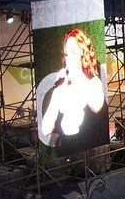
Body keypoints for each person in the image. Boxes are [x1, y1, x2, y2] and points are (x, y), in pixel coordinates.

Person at [38, 27, 108, 155]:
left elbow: (97, 106)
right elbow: (46, 129)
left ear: (83, 53)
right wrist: (58, 92)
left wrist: (76, 76)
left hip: (90, 157)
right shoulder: (60, 90)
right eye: (67, 53)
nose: (69, 57)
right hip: (67, 158)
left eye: (74, 52)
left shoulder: (93, 83)